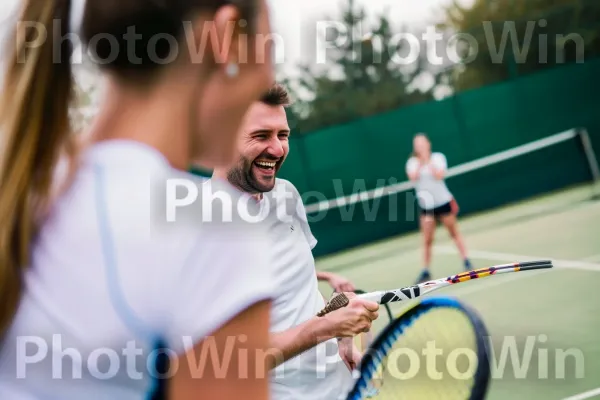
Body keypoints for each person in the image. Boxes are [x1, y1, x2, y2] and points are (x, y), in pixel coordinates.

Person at [0, 0, 277, 399]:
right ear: (228, 38)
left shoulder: (24, 193)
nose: (267, 75)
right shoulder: (211, 226)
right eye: (268, 50)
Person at [212, 83, 380, 400]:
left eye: (283, 135)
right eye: (261, 136)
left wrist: (341, 332)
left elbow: (300, 288)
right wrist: (329, 327)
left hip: (347, 386)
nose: (277, 149)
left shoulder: (286, 194)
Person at [406, 133, 473, 283]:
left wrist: (427, 160)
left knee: (454, 233)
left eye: (422, 143)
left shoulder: (438, 158)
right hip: (426, 207)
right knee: (427, 240)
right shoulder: (411, 162)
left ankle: (466, 260)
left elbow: (439, 175)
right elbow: (413, 178)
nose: (419, 146)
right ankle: (425, 270)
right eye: (417, 144)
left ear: (428, 144)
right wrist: (420, 161)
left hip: (443, 202)